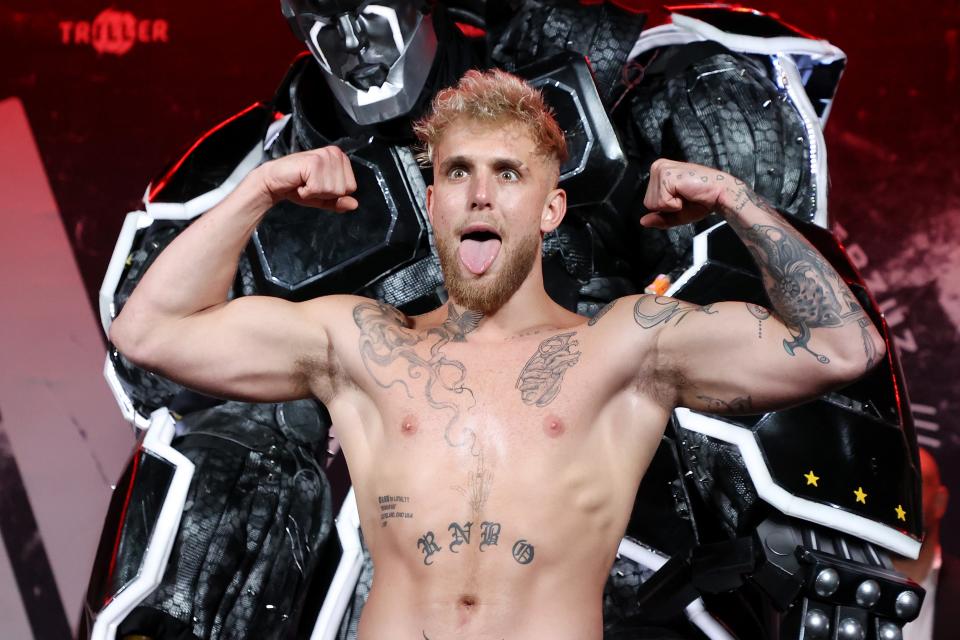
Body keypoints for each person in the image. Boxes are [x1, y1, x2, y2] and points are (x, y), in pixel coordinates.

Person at [108, 69, 885, 639]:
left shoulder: (625, 348)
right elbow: (150, 332)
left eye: (507, 174)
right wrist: (262, 189)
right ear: (435, 202)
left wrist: (736, 200)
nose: (480, 195)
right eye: (458, 173)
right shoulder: (361, 343)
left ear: (550, 209)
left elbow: (844, 346)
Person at [893, 448, 958, 640]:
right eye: (892, 484)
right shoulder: (846, 580)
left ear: (940, 502)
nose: (900, 499)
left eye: (914, 485)